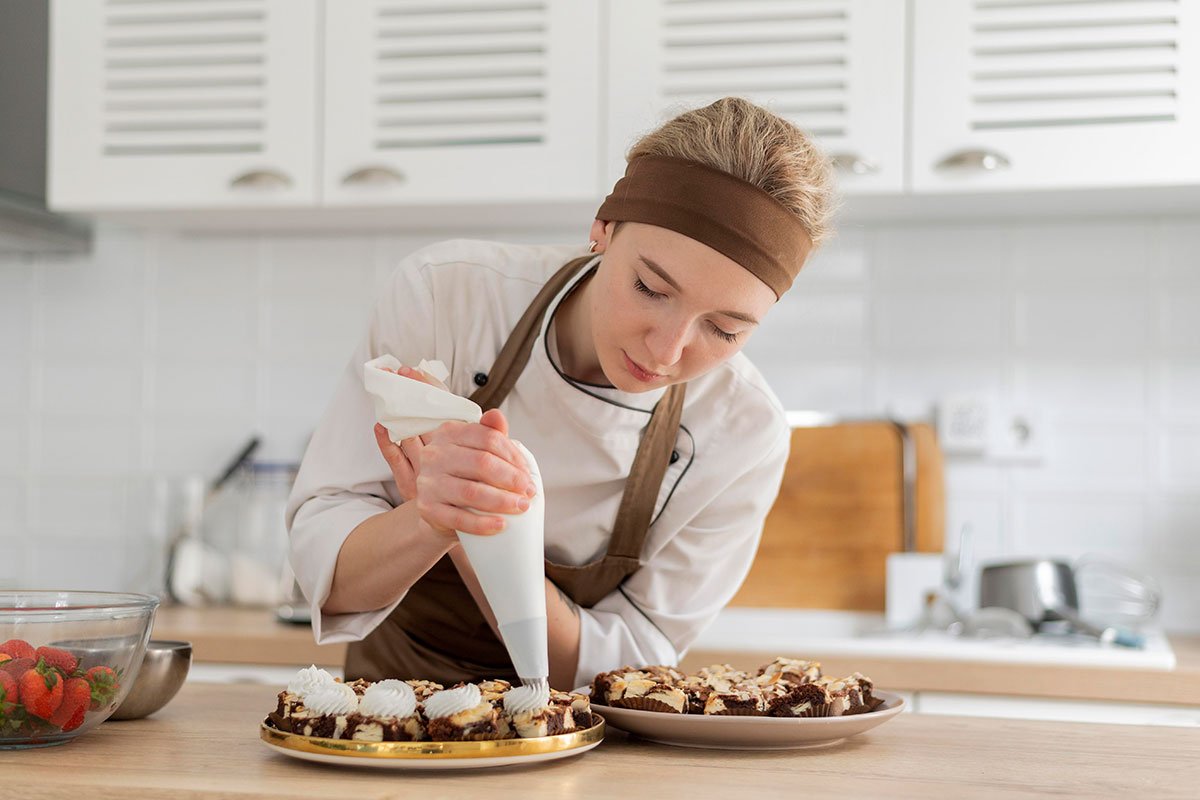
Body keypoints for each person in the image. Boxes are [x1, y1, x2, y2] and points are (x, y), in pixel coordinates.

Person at [285, 96, 836, 691]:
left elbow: (632, 672)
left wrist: (477, 526)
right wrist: (428, 522)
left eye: (725, 329)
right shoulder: (448, 297)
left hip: (587, 751)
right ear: (603, 229)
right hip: (384, 720)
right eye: (650, 288)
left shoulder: (744, 431)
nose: (667, 349)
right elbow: (325, 573)